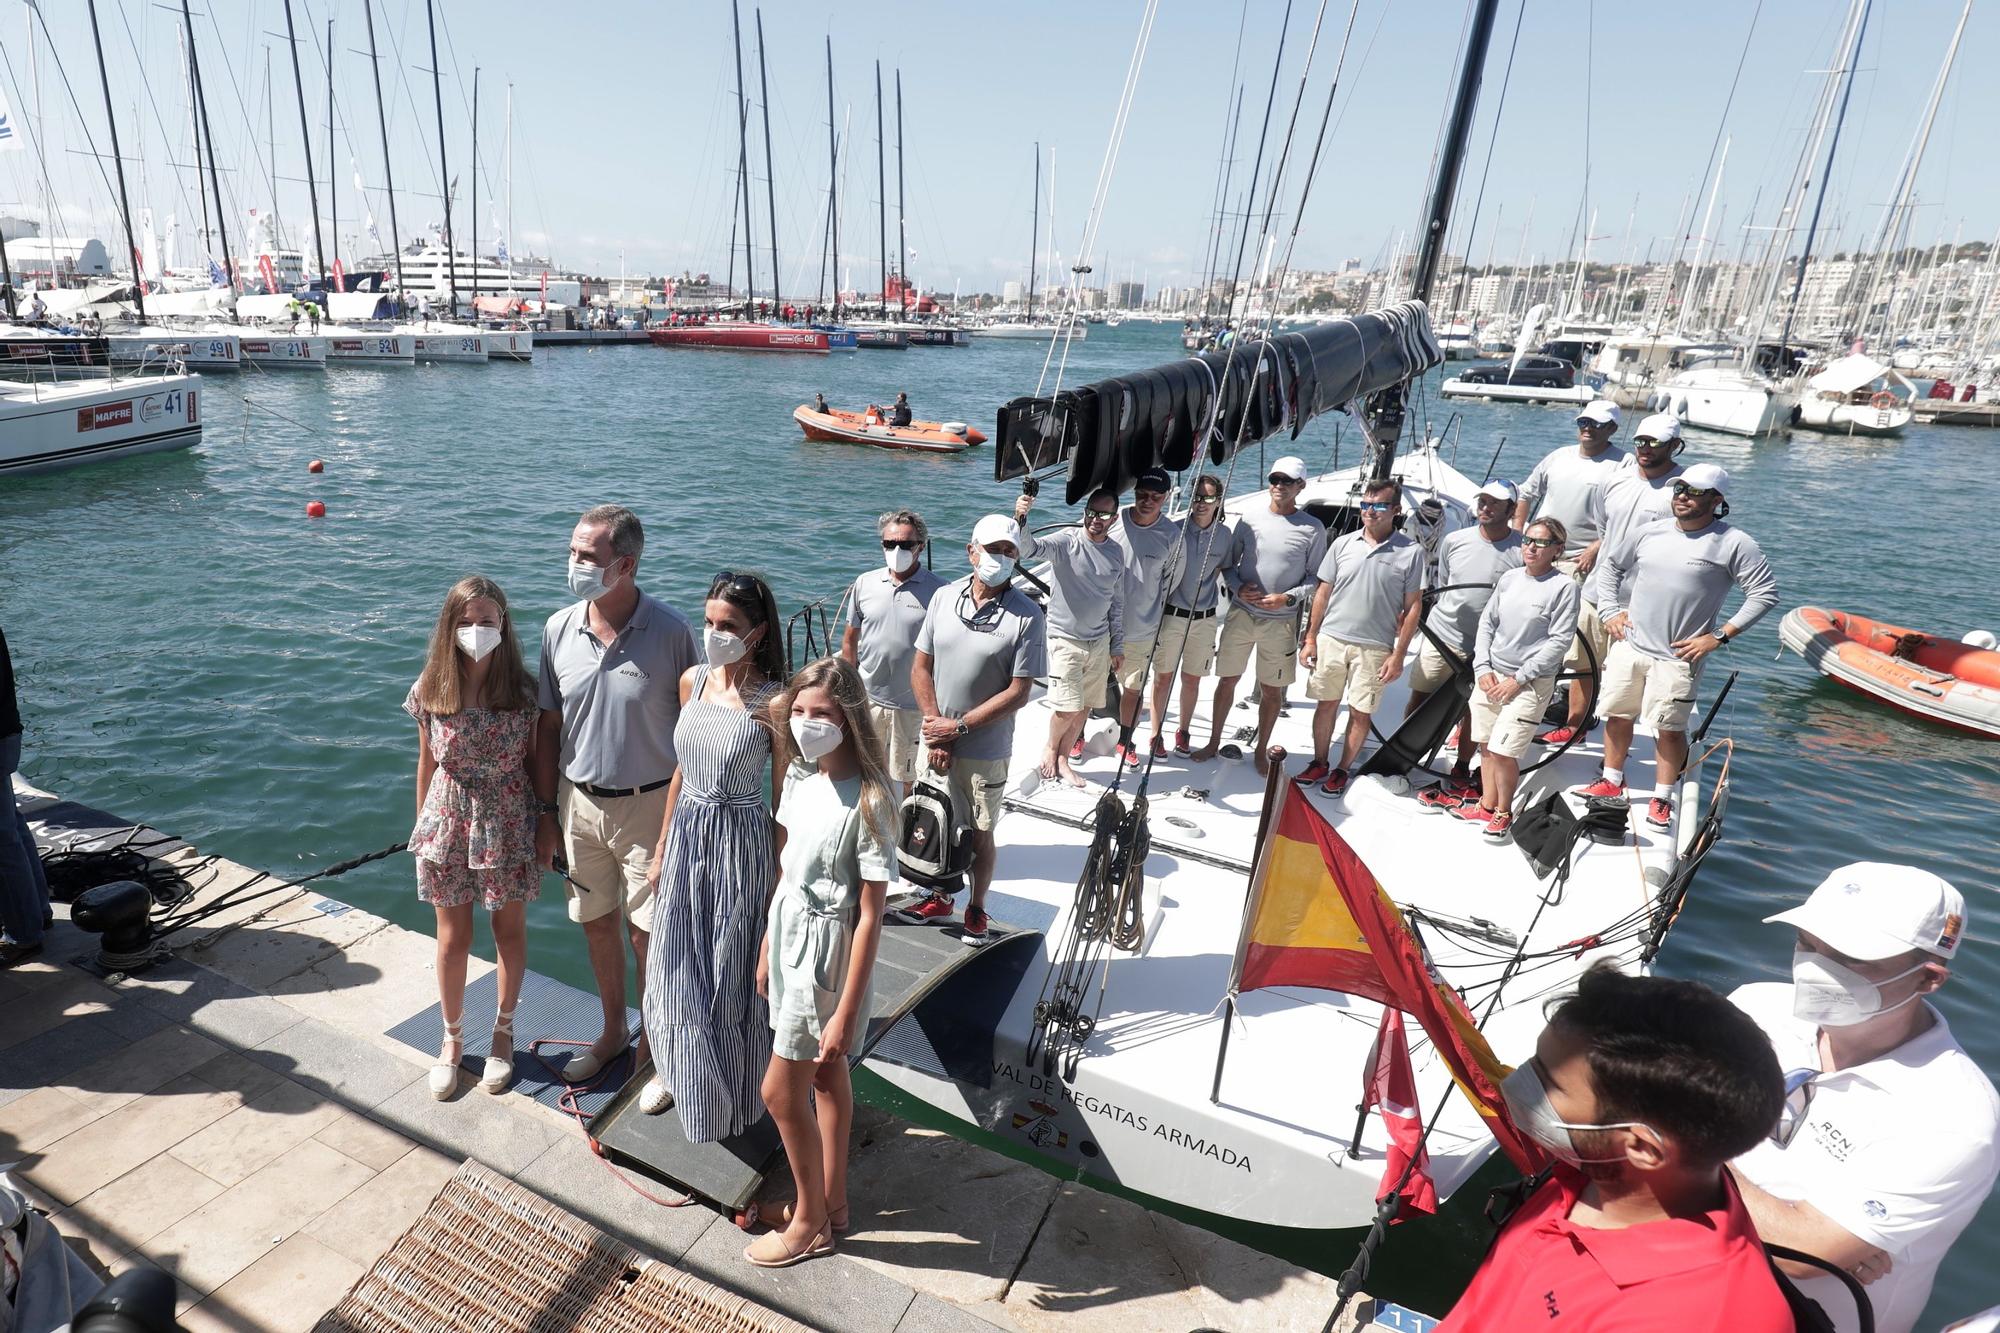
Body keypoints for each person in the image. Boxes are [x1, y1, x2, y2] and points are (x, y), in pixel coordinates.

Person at [1436, 965, 1792, 1331]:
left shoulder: (1705, 1317)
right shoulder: (1589, 1170)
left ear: (1642, 1148)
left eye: (1549, 1081)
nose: (1516, 1081)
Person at [1728, 863, 1999, 1333]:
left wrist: (1677, 1144)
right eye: (1807, 944)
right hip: (1686, 1270)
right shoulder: (1754, 1007)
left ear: (1928, 978)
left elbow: (1803, 1254)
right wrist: (1802, 1234)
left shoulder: (1956, 1118)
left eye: (1851, 958)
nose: (1814, 968)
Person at [535, 506, 700, 1085]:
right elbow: (549, 727)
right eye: (573, 552)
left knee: (649, 935)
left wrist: (678, 826)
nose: (574, 564)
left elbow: (695, 733)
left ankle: (654, 1048)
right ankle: (611, 1033)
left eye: (588, 556)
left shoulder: (675, 634)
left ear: (625, 564)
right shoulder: (557, 628)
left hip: (649, 807)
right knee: (596, 922)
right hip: (577, 805)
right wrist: (544, 815)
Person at [748, 658, 897, 1269]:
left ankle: (807, 1219)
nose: (808, 724)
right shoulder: (799, 780)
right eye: (801, 712)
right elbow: (787, 874)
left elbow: (870, 915)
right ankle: (832, 1203)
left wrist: (845, 1012)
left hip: (825, 956)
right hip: (787, 936)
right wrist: (765, 943)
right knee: (826, 1079)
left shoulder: (871, 799)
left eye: (824, 714)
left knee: (779, 1092)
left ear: (850, 720)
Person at [641, 572, 786, 1132]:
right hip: (686, 843)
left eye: (728, 626)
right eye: (709, 622)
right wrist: (659, 847)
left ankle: (732, 1087)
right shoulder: (692, 682)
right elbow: (681, 771)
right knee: (676, 964)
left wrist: (778, 876)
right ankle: (679, 1071)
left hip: (740, 849)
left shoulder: (774, 703)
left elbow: (783, 795)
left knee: (728, 973)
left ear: (758, 632)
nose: (714, 633)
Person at [1578, 464, 1777, 829]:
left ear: (1717, 500)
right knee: (1617, 716)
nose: (1682, 496)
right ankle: (1611, 779)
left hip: (1677, 657)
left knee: (1669, 730)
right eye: (1679, 489)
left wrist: (1717, 637)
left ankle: (1662, 797)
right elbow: (1609, 568)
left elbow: (1764, 595)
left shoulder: (1735, 543)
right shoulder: (1648, 532)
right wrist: (1610, 611)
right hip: (1631, 644)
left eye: (1694, 491)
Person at [406, 577, 540, 1100]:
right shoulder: (431, 686)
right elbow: (426, 761)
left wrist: (543, 822)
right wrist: (421, 827)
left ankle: (503, 1036)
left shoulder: (524, 692)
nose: (476, 629)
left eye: (487, 620)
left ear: (503, 624)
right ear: (449, 626)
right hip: (448, 816)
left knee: (508, 930)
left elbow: (534, 764)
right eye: (466, 621)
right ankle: (452, 1041)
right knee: (452, 937)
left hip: (506, 817)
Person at [909, 515, 1048, 941]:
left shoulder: (1027, 616)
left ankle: (977, 906)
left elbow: (1019, 691)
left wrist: (958, 729)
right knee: (934, 819)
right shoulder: (943, 597)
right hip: (936, 738)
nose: (1000, 557)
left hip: (984, 749)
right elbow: (920, 666)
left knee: (980, 834)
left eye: (1009, 551)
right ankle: (939, 893)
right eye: (992, 549)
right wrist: (936, 727)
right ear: (972, 552)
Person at [1443, 518, 1579, 842]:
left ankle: (1504, 812)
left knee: (1505, 751)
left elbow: (1559, 642)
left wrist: (1519, 678)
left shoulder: (1564, 588)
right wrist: (1482, 668)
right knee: (1487, 746)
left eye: (1541, 542)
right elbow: (1487, 625)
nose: (1531, 547)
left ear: (1557, 549)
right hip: (1491, 676)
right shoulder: (1509, 578)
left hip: (1529, 683)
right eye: (1528, 540)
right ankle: (1486, 805)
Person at [1297, 479, 1423, 796]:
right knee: (1326, 704)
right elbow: (1322, 592)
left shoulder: (1412, 552)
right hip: (1331, 639)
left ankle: (1342, 769)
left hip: (1376, 646)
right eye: (1365, 504)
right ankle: (1320, 762)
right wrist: (1311, 637)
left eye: (1378, 505)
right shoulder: (1342, 544)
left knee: (1360, 711)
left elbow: (1413, 607)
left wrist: (1398, 655)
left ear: (1395, 510)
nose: (1369, 511)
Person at [1515, 399, 1629, 746]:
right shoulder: (1558, 456)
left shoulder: (1623, 464)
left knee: (1578, 645)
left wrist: (1597, 546)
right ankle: (1529, 702)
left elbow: (1623, 515)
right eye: (1583, 420)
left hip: (1583, 562)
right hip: (1541, 553)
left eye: (1597, 423)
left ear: (1612, 428)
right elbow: (1527, 493)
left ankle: (1576, 722)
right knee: (1531, 631)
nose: (1588, 427)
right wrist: (1519, 532)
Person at [1406, 479, 1523, 805]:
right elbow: (1444, 583)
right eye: (1482, 500)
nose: (1485, 507)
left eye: (1494, 503)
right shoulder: (1454, 540)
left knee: (1475, 709)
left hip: (1488, 649)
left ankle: (1461, 765)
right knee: (1420, 695)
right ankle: (1406, 752)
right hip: (1443, 635)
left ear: (1511, 510)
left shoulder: (1522, 549)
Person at [1211, 456, 1329, 774]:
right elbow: (1228, 566)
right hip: (1241, 616)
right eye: (1274, 479)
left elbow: (1315, 579)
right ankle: (1212, 742)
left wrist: (1287, 597)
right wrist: (1237, 588)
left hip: (1280, 623)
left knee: (1272, 691)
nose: (1278, 485)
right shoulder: (1248, 519)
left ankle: (1261, 751)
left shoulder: (1313, 528)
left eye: (1286, 481)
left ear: (1300, 486)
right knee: (1228, 680)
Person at [1012, 486, 1125, 788]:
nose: (1095, 519)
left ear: (1114, 518)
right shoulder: (1066, 541)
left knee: (1086, 705)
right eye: (1091, 511)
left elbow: (1116, 601)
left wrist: (1117, 644)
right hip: (1065, 639)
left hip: (1099, 642)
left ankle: (1063, 758)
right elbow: (1028, 549)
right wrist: (1021, 518)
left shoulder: (1116, 553)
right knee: (1067, 707)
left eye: (1103, 514)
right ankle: (1050, 748)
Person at [841, 509, 945, 796]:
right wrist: (848, 694)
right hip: (868, 699)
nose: (896, 550)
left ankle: (906, 826)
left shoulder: (941, 592)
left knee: (907, 775)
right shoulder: (864, 583)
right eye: (890, 544)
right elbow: (850, 641)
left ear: (920, 547)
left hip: (912, 708)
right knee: (865, 767)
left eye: (905, 544)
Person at [1149, 474, 1232, 759]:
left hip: (1205, 620)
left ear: (1218, 501)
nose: (1201, 503)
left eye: (1208, 498)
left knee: (1192, 679)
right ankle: (1155, 734)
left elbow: (1223, 568)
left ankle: (1182, 732)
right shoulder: (1173, 530)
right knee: (1162, 678)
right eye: (1197, 497)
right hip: (1171, 617)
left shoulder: (1225, 536)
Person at [1109, 469, 1184, 764]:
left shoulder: (1172, 535)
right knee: (1090, 690)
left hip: (1142, 630)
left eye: (1155, 496)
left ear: (1165, 498)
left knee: (1133, 689)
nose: (1147, 500)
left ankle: (1125, 742)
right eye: (1142, 494)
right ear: (1133, 493)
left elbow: (1171, 580)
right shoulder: (1114, 519)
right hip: (1101, 627)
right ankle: (1077, 738)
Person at [1586, 411, 1687, 618]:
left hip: (1643, 608)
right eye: (1640, 441)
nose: (1646, 449)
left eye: (1655, 443)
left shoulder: (1686, 488)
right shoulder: (1613, 480)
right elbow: (1604, 529)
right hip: (1594, 596)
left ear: (1674, 445)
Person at [0, 626, 52, 968]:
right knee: (11, 828)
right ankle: (37, 913)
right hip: (5, 731)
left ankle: (24, 935)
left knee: (2, 841)